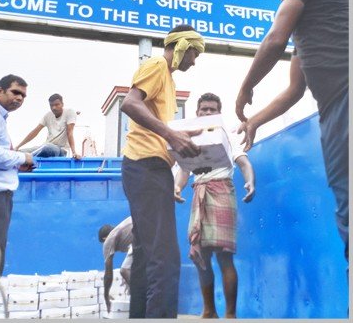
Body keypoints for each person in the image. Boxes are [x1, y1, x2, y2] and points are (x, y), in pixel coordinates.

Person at [235, 0, 348, 261]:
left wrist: (246, 88)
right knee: (345, 209)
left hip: (346, 95)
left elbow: (274, 38)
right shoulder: (307, 23)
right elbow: (294, 90)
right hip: (333, 115)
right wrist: (254, 120)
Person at [120, 24, 205, 318]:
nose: (194, 61)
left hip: (148, 168)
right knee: (165, 257)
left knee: (146, 256)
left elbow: (159, 126)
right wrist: (171, 136)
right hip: (144, 166)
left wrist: (182, 135)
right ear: (182, 45)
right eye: (195, 53)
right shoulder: (157, 64)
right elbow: (130, 104)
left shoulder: (167, 79)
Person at [174, 93, 256, 318]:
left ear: (219, 113)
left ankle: (230, 314)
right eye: (204, 110)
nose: (208, 113)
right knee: (201, 257)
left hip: (222, 190)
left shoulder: (226, 135)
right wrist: (177, 187)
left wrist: (250, 180)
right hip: (198, 192)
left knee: (224, 256)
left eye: (212, 110)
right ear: (197, 113)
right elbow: (183, 169)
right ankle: (209, 311)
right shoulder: (189, 137)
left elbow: (243, 162)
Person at [0, 74, 35, 275]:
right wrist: (22, 158)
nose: (20, 98)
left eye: (23, 96)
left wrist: (15, 165)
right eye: (15, 92)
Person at [15, 93, 81, 159]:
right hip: (45, 147)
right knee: (19, 152)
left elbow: (70, 132)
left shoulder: (69, 112)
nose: (54, 107)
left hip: (60, 150)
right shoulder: (48, 115)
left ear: (62, 104)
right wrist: (17, 147)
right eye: (51, 105)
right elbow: (35, 132)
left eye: (57, 104)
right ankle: (23, 157)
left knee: (47, 148)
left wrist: (74, 152)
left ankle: (27, 158)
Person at [99, 217, 134, 314]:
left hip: (143, 236)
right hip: (152, 231)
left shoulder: (109, 239)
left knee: (123, 271)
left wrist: (106, 296)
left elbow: (108, 274)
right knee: (130, 272)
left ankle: (141, 299)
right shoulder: (123, 232)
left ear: (104, 238)